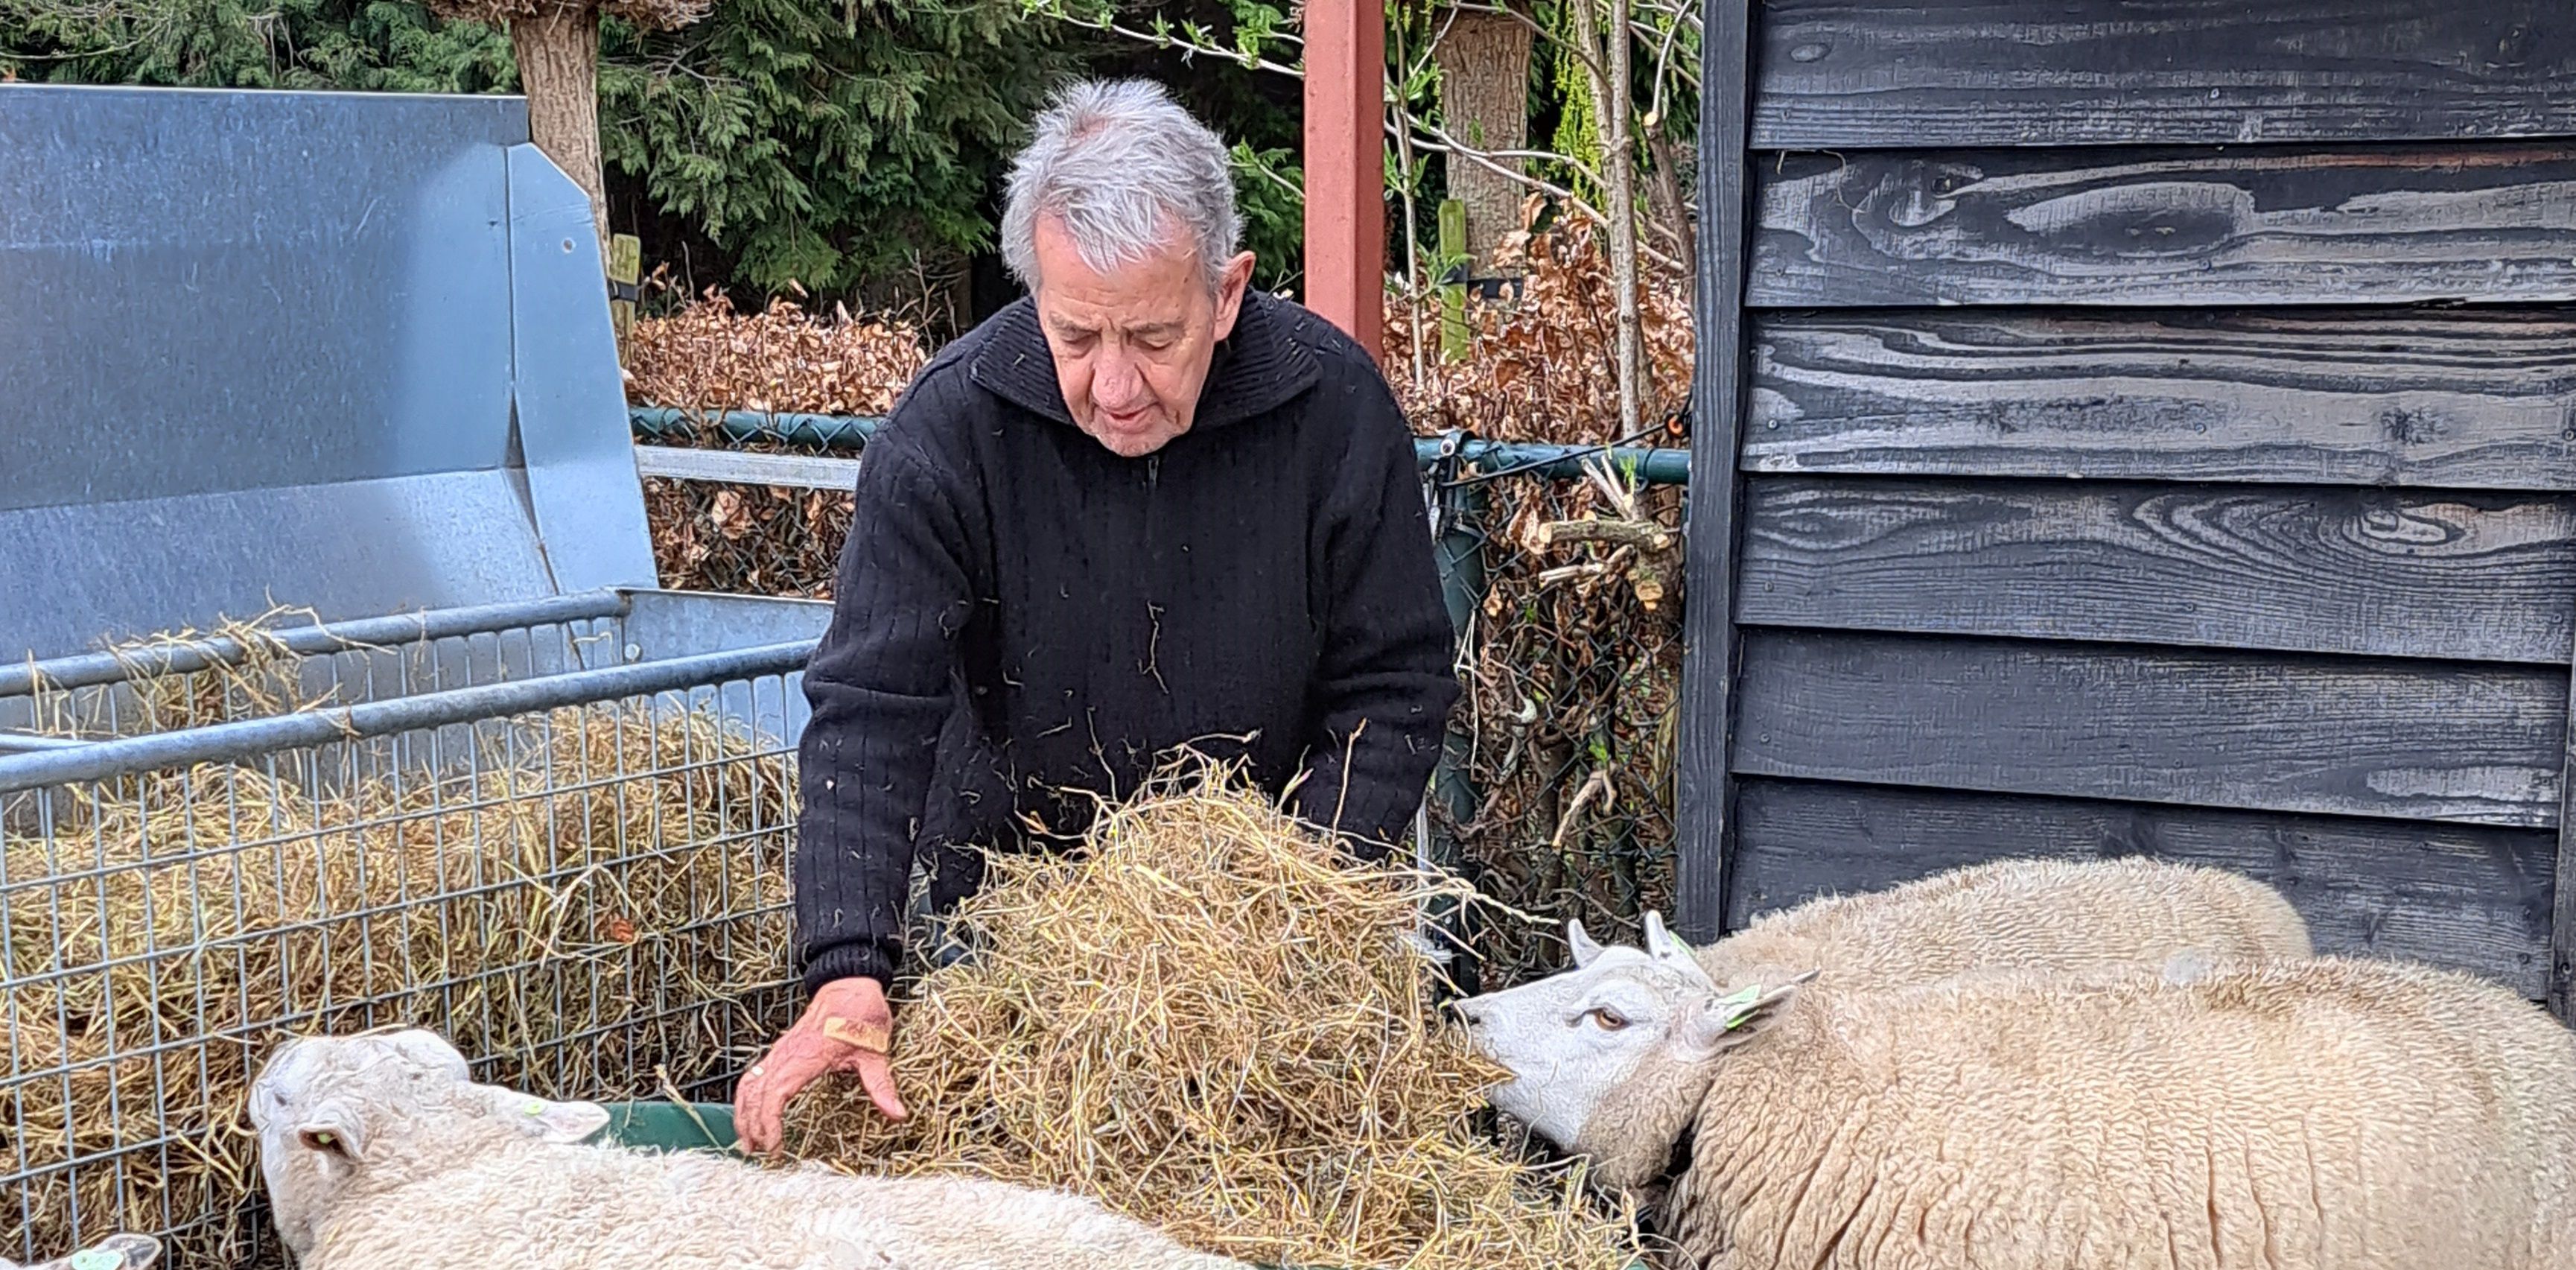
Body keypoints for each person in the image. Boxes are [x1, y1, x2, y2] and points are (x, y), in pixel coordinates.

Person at [730, 77, 1463, 1155]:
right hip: (998, 931)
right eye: (1077, 335)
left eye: (1155, 337)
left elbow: (1393, 687)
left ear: (1227, 292)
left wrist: (1295, 899)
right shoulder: (950, 427)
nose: (1114, 385)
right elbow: (871, 709)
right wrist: (849, 966)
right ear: (1034, 296)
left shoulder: (1333, 408)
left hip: (1253, 945)